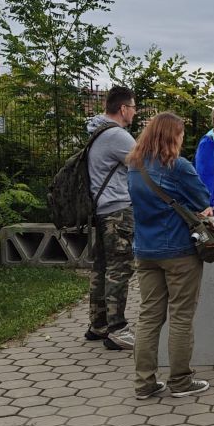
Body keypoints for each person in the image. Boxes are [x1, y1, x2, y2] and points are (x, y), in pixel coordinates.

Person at [126, 112, 213, 399]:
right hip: (178, 251)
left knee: (149, 315)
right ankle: (180, 381)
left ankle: (143, 383)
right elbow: (203, 200)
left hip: (145, 249)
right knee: (181, 316)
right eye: (181, 134)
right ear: (171, 136)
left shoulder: (134, 166)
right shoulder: (178, 166)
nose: (182, 139)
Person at [84, 87, 138, 351]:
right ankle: (117, 329)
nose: (135, 113)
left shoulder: (96, 132)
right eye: (134, 107)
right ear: (123, 109)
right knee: (120, 268)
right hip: (118, 210)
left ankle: (98, 324)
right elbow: (145, 164)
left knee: (102, 267)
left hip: (101, 209)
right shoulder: (117, 135)